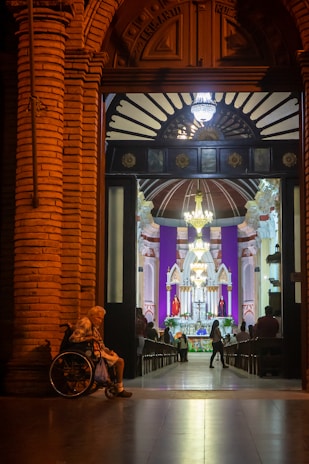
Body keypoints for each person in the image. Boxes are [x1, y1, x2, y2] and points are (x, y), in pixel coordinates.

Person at [69, 305, 132, 398]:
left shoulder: (93, 327)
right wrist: (88, 338)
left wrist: (107, 350)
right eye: (98, 318)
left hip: (97, 351)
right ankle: (119, 388)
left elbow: (100, 343)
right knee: (120, 362)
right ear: (91, 315)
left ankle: (112, 383)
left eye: (101, 319)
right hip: (89, 352)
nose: (100, 321)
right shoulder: (85, 323)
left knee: (116, 357)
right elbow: (73, 339)